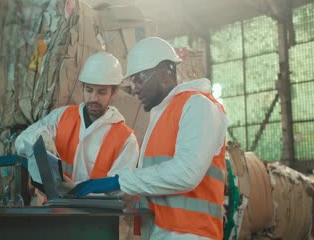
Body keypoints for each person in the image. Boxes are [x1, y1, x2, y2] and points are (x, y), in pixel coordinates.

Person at [70, 37, 229, 240]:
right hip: (163, 231)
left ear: (163, 74)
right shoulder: (163, 115)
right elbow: (157, 182)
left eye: (139, 79)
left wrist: (120, 182)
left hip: (192, 234)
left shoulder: (198, 105)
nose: (134, 88)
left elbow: (186, 173)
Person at [15, 52, 139, 192]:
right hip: (55, 209)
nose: (93, 98)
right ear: (82, 88)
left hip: (96, 212)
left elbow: (118, 192)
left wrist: (77, 190)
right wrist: (40, 138)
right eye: (89, 90)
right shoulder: (62, 116)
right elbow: (20, 142)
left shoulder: (126, 140)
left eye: (101, 92)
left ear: (114, 92)